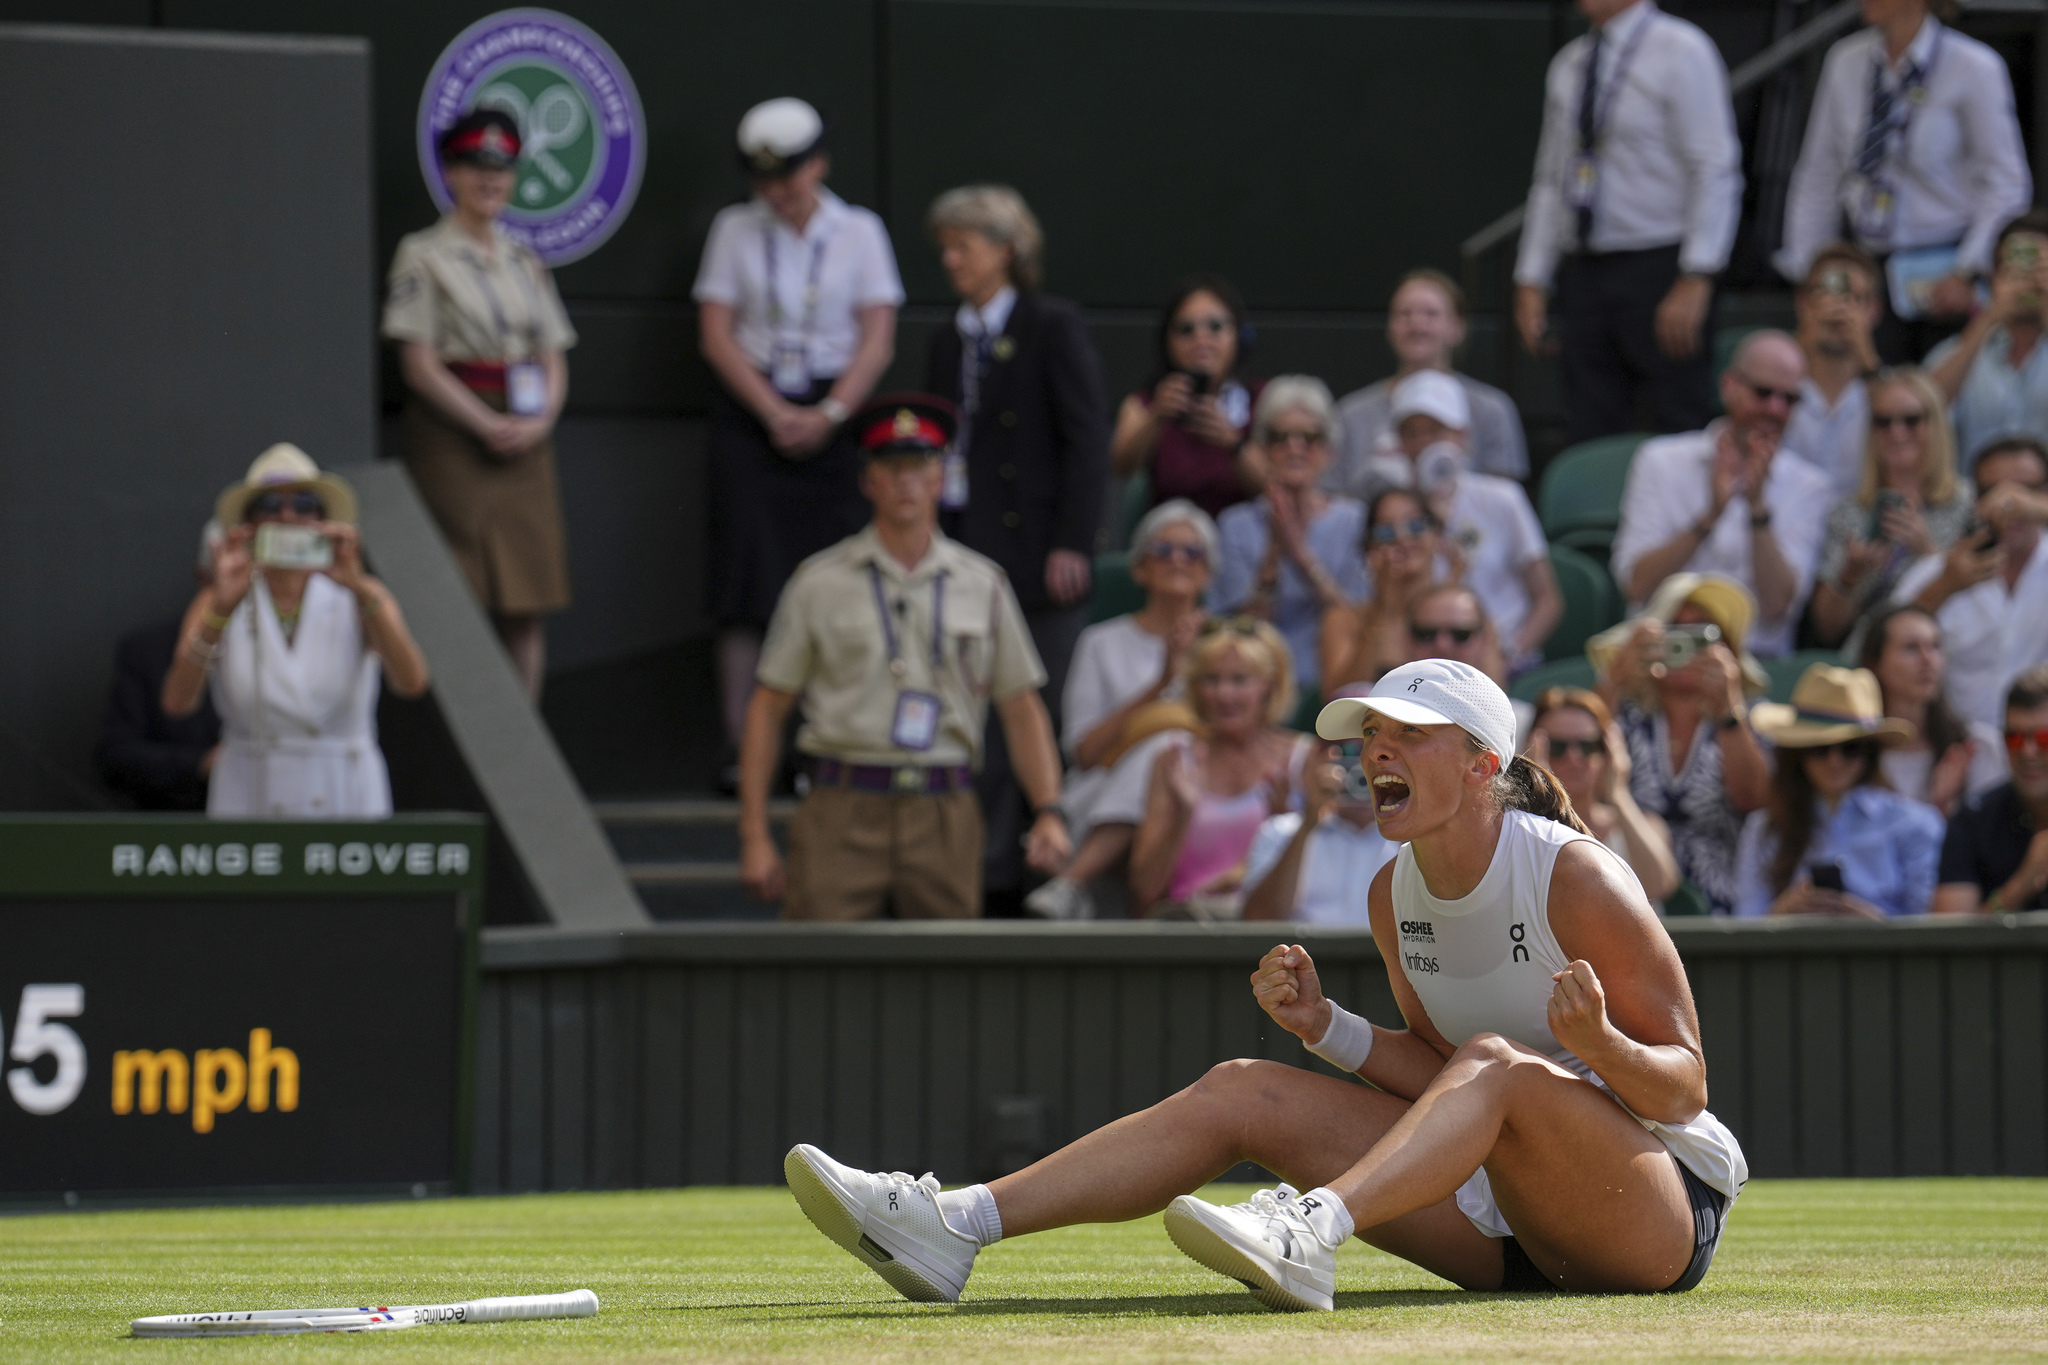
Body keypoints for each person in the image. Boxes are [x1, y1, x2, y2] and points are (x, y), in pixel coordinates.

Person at [784, 659, 1745, 1309]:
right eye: (1370, 733)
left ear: (1483, 762)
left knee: (1498, 1060)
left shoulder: (1576, 875)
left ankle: (1312, 1230)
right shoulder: (1389, 892)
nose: (1376, 750)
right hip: (1508, 1221)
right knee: (1245, 1084)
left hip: (1654, 1218)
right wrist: (1326, 1027)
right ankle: (958, 1223)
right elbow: (1443, 1082)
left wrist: (1602, 1048)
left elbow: (1684, 1085)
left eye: (1407, 734)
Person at [737, 396, 1069, 920]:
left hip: (944, 805)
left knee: (946, 983)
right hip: (841, 802)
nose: (906, 482)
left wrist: (1050, 810)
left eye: (920, 467)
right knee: (821, 974)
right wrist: (754, 833)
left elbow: (1021, 708)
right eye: (891, 468)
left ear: (941, 479)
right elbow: (767, 707)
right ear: (868, 481)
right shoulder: (819, 583)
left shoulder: (983, 584)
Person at [695, 98, 904, 788]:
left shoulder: (860, 231)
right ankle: (743, 750)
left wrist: (832, 410)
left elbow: (877, 334)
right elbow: (717, 332)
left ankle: (825, 745)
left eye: (789, 178)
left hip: (836, 416)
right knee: (745, 581)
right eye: (765, 182)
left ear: (818, 165)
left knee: (834, 582)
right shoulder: (734, 229)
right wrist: (773, 410)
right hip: (753, 412)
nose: (778, 195)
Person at [923, 185, 1110, 905]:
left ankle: (1035, 866)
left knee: (1034, 712)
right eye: (945, 246)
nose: (950, 260)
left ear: (1006, 250)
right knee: (973, 720)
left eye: (962, 245)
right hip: (966, 554)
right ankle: (980, 868)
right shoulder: (948, 338)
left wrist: (1073, 541)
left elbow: (1086, 439)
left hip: (1039, 561)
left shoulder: (1050, 325)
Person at [382, 108, 577, 703]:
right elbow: (418, 363)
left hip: (525, 436)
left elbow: (553, 353)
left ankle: (525, 743)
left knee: (527, 596)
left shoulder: (524, 260)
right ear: (451, 173)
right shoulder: (422, 254)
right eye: (474, 166)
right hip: (456, 435)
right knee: (457, 597)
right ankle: (466, 741)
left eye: (501, 168)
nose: (489, 179)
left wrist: (540, 420)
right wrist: (485, 422)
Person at [1515, 0, 1742, 444]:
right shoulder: (1570, 64)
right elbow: (1549, 179)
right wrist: (1531, 277)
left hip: (1660, 265)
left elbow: (1714, 167)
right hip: (1586, 269)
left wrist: (1697, 275)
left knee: (1676, 421)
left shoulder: (1683, 48)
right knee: (1589, 423)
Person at [161, 446, 430, 818]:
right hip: (252, 790)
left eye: (305, 504)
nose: (288, 516)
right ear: (249, 523)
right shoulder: (218, 599)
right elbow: (178, 702)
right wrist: (222, 608)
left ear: (323, 519)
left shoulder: (359, 594)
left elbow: (411, 682)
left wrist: (359, 587)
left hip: (342, 789)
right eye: (270, 505)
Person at [1777, 0, 2031, 363]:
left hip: (1945, 267)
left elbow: (2007, 183)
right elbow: (1818, 174)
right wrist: (1808, 272)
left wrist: (1968, 270)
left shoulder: (1974, 66)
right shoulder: (1845, 60)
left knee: (1932, 401)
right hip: (1865, 269)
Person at [1025, 500, 1217, 921]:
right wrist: (1160, 684)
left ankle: (1072, 883)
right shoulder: (1101, 641)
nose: (1178, 560)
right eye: (1163, 550)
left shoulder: (1225, 646)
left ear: (1208, 572)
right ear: (1139, 568)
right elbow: (1085, 753)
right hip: (1099, 793)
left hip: (1202, 792)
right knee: (1166, 746)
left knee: (1171, 748)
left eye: (1192, 552)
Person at [1611, 331, 1835, 657]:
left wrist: (1758, 510)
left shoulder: (1811, 485)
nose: (1776, 408)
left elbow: (1778, 606)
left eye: (1790, 399)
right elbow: (1637, 585)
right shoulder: (1659, 461)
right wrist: (1710, 516)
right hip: (1660, 655)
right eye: (1763, 393)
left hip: (1755, 663)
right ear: (1729, 386)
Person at [1590, 573, 1771, 914]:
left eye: (1700, 633)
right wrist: (1614, 680)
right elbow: (1577, 767)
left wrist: (1728, 712)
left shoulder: (1752, 718)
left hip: (1724, 909)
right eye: (1674, 630)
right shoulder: (1624, 714)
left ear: (1726, 648)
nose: (1685, 649)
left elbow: (1753, 801)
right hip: (1628, 902)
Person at [1376, 372, 1559, 672]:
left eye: (1435, 430)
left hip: (1506, 665)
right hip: (1423, 668)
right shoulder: (1395, 510)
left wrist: (1508, 657)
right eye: (1412, 433)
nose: (1423, 442)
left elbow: (1548, 600)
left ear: (1462, 435)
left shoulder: (1503, 498)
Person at [1128, 618, 1309, 918]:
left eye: (1239, 680)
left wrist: (1279, 833)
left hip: (1271, 935)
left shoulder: (1302, 759)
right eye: (1211, 680)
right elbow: (1144, 890)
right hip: (1187, 930)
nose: (1224, 694)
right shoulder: (1174, 758)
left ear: (1269, 685)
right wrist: (1184, 813)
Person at [1732, 664, 1943, 918]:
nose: (1835, 761)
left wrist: (1872, 925)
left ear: (1869, 752)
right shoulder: (1764, 830)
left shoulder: (1917, 825)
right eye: (1820, 748)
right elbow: (1744, 927)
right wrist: (1782, 912)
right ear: (1798, 754)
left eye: (1850, 748)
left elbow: (1930, 931)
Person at [1211, 378, 1368, 695]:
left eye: (1309, 437)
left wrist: (1299, 555)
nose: (1295, 448)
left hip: (1337, 677)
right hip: (1256, 684)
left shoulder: (1355, 520)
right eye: (1280, 437)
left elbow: (1359, 621)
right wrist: (1273, 551)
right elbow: (1241, 631)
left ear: (1329, 451)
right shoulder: (1236, 524)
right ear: (1262, 449)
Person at [1807, 367, 1975, 652]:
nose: (1897, 432)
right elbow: (1828, 629)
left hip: (1945, 653)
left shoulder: (1965, 504)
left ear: (1935, 424)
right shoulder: (1849, 511)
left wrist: (1929, 555)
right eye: (1883, 422)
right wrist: (1852, 575)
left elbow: (1980, 605)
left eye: (1911, 420)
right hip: (1866, 658)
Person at [1891, 435, 2048, 732]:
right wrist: (1944, 587)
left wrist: (2038, 510)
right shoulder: (1939, 571)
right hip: (1958, 749)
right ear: (1975, 500)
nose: (2008, 504)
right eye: (1992, 491)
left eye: (2024, 490)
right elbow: (1877, 647)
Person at [1330, 270, 1527, 494]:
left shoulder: (1493, 409)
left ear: (1457, 327)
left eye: (1431, 314)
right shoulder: (1351, 413)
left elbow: (1503, 500)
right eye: (1404, 314)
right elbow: (1334, 499)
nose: (1416, 324)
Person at [1241, 687, 1400, 926]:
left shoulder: (1417, 837)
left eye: (1374, 747)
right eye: (1348, 751)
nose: (1362, 765)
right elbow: (1256, 922)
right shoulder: (1280, 832)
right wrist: (1308, 824)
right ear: (1318, 756)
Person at [1110, 276, 1262, 520]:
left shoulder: (1263, 399)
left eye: (1215, 326)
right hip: (1173, 546)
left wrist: (1233, 443)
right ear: (1167, 340)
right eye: (1186, 329)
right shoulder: (1147, 403)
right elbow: (1120, 468)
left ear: (1239, 334)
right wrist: (1156, 417)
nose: (1201, 340)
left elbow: (1278, 490)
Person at [97, 526, 223, 811]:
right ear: (204, 577)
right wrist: (205, 763)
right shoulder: (148, 650)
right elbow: (117, 758)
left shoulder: (328, 637)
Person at [1526, 687, 1680, 903]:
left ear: (1608, 752)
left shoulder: (1644, 825)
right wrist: (1540, 790)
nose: (1574, 757)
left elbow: (1659, 885)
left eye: (1588, 746)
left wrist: (1618, 793)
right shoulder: (1516, 829)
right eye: (1557, 747)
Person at [1858, 604, 2005, 813]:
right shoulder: (1848, 753)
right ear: (1875, 664)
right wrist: (1937, 807)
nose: (1928, 660)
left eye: (1935, 646)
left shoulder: (1978, 748)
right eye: (1911, 648)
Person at [1927, 211, 2048, 462]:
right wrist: (1990, 316)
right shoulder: (1955, 351)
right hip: (1975, 496)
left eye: (2039, 267)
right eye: (2015, 266)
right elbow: (1921, 410)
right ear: (1993, 277)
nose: (2028, 279)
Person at [1934, 664, 2048, 912]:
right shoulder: (1973, 821)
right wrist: (2022, 885)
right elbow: (1947, 940)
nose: (2028, 751)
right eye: (2014, 738)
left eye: (2043, 738)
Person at [1319, 488, 1457, 688]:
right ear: (1369, 549)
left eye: (1416, 526)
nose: (1402, 538)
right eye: (1386, 532)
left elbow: (1492, 698)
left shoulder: (1465, 620)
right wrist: (1382, 608)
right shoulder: (1344, 620)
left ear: (1437, 537)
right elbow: (1339, 697)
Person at [1783, 244, 1885, 499]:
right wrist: (1804, 339)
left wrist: (1866, 356)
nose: (1838, 310)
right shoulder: (1772, 386)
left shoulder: (1887, 388)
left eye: (1853, 298)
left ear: (1873, 310)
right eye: (1824, 294)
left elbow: (1901, 420)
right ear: (1802, 303)